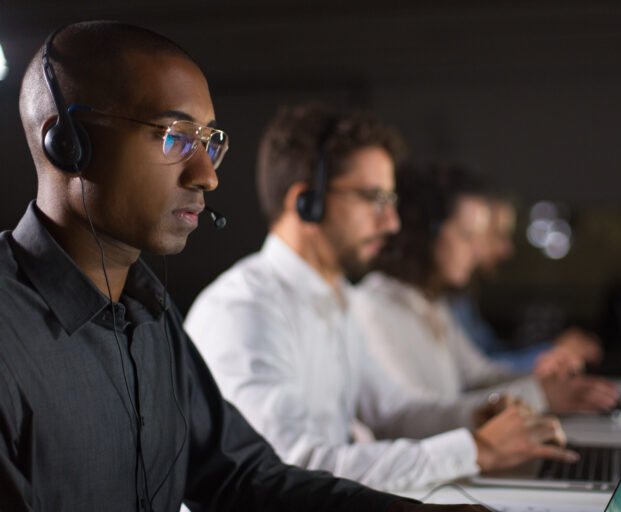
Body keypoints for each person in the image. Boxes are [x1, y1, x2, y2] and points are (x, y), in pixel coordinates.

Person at [0, 21, 486, 512]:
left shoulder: (149, 316)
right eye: (174, 137)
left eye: (208, 141)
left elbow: (242, 477)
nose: (207, 175)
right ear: (67, 143)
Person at [185, 103, 578, 493]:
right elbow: (292, 467)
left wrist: (477, 415)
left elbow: (394, 411)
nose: (391, 223)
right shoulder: (244, 310)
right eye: (373, 199)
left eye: (390, 202)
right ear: (305, 201)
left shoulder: (336, 299)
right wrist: (475, 449)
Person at [352, 163, 619, 414]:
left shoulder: (430, 302)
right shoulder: (375, 308)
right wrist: (538, 396)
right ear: (426, 234)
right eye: (468, 236)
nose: (479, 251)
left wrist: (544, 380)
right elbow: (412, 416)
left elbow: (480, 376)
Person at [450, 198, 604, 378]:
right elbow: (481, 371)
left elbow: (486, 356)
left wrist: (553, 350)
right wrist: (552, 352)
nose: (507, 249)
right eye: (498, 235)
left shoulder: (461, 297)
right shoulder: (446, 301)